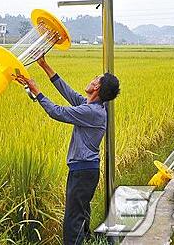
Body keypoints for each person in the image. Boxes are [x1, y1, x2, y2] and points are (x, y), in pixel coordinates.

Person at [17, 55, 120, 245]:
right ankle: (87, 240)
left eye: (96, 78)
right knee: (80, 212)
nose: (92, 79)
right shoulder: (91, 105)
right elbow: (68, 92)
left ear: (97, 88)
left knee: (73, 217)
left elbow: (57, 111)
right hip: (85, 169)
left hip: (82, 170)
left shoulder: (92, 112)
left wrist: (36, 91)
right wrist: (44, 65)